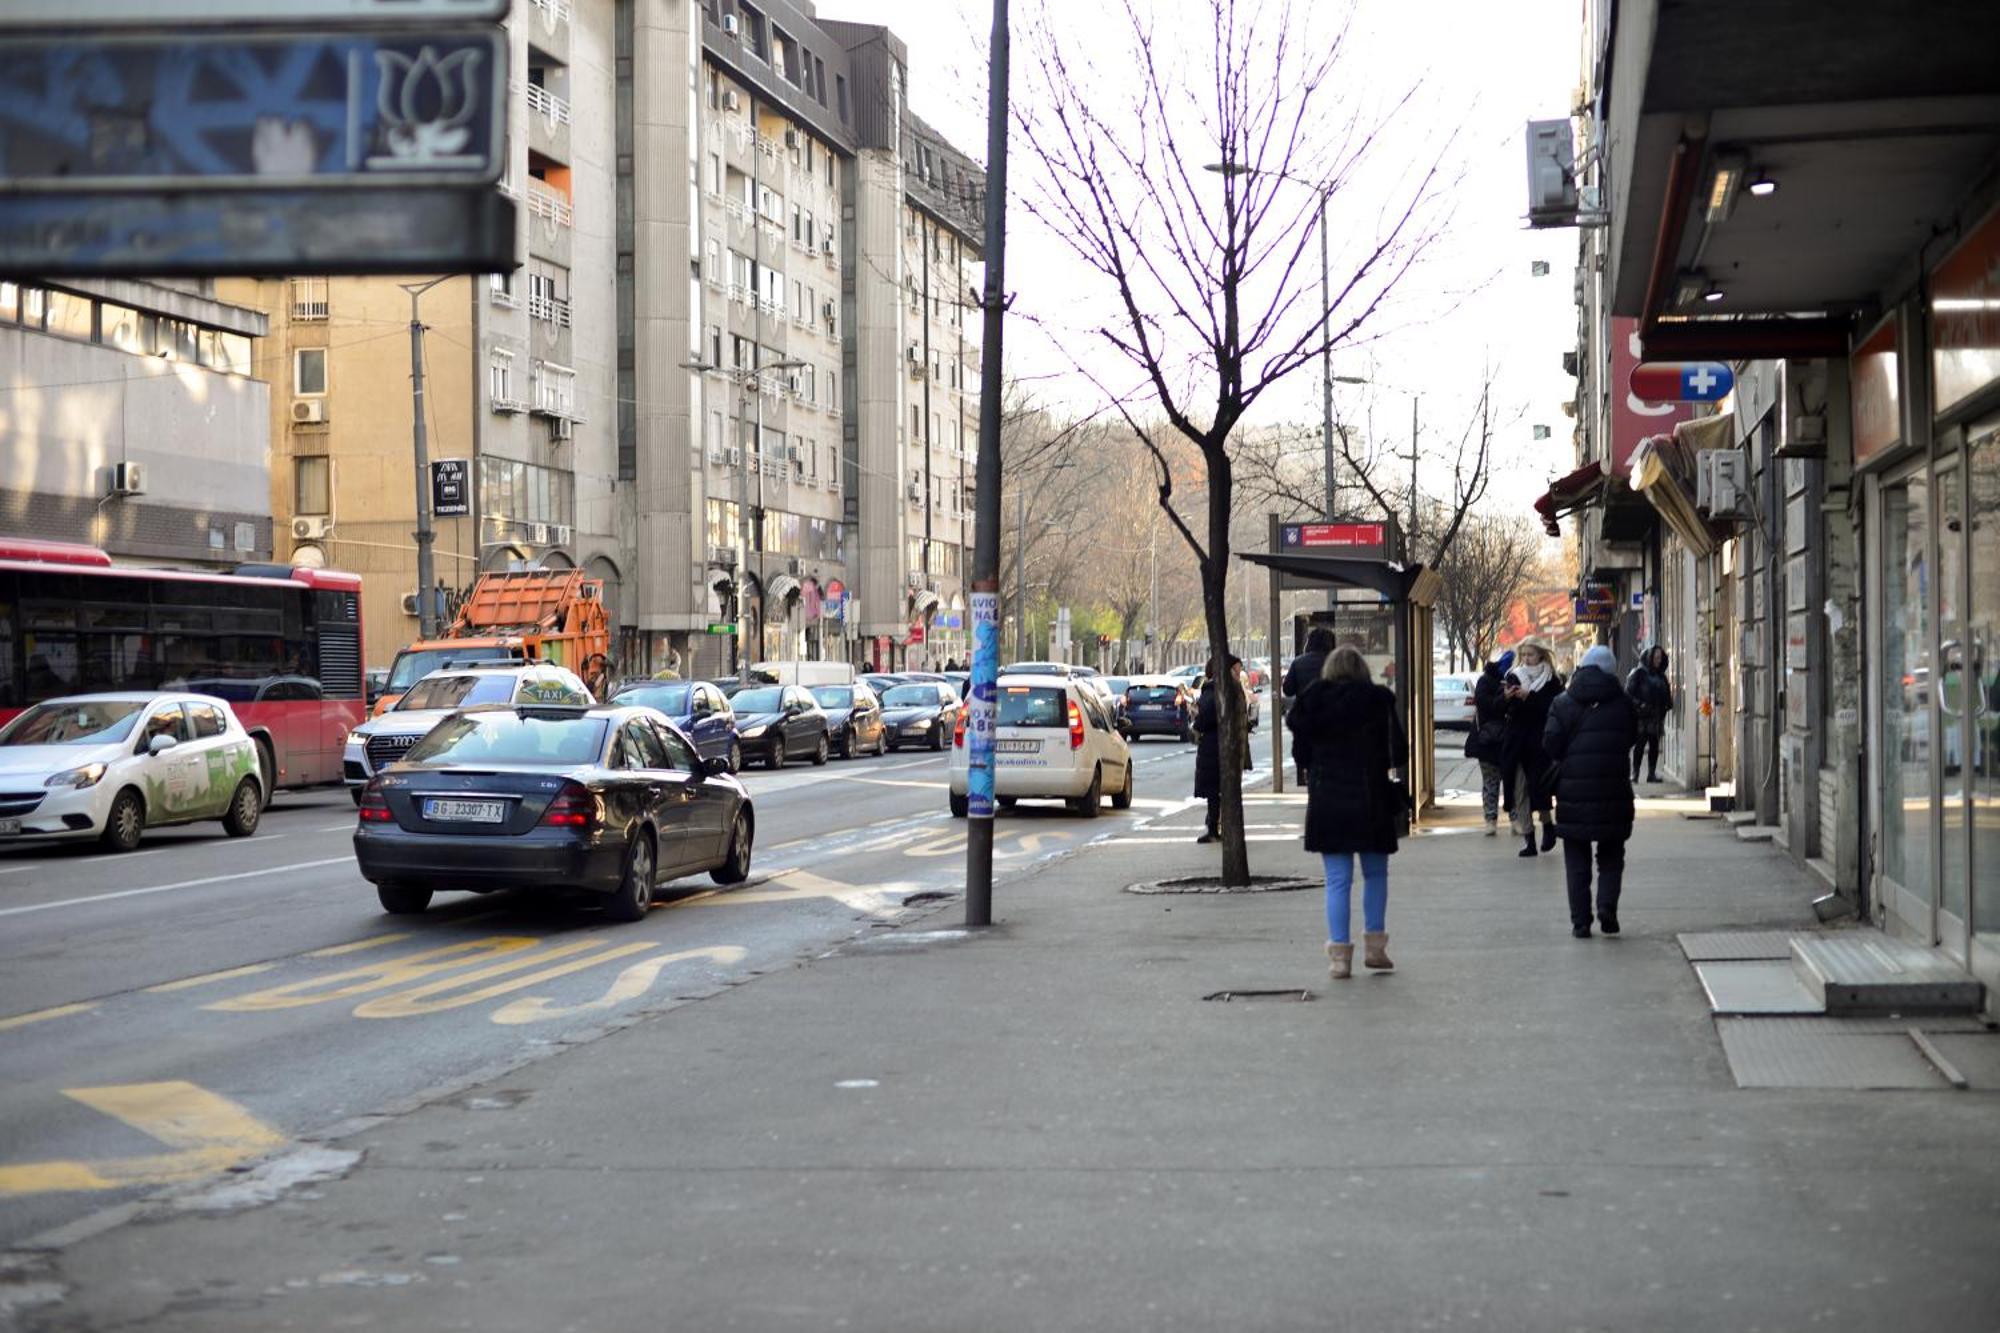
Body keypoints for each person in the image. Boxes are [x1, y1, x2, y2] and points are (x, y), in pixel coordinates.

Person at [1296, 645, 1407, 978]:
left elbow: (1300, 754)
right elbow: (1399, 751)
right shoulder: (1378, 700)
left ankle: (1339, 957)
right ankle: (1375, 948)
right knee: (1375, 875)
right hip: (1371, 796)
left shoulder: (1313, 702)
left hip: (1329, 799)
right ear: (1362, 670)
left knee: (1337, 881)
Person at [1545, 643, 1639, 938]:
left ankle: (1580, 922)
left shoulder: (1562, 702)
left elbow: (1550, 744)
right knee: (1611, 855)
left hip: (1573, 793)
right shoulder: (1623, 703)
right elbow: (1631, 739)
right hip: (1614, 790)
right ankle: (1607, 907)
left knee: (1576, 859)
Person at [1500, 635, 1563, 858]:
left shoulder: (1553, 680)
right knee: (1520, 790)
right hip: (1517, 743)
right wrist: (1507, 698)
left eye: (1531, 654)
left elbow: (1553, 708)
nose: (1526, 659)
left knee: (1539, 788)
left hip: (1540, 743)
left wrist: (1530, 697)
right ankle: (1529, 839)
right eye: (1524, 654)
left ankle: (1548, 827)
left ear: (1541, 655)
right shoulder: (1513, 676)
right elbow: (1502, 710)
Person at [1191, 654, 1244, 844]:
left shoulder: (1212, 688)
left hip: (1213, 745)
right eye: (1236, 668)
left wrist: (1196, 724)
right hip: (1228, 742)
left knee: (1214, 791)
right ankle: (1222, 827)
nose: (1238, 672)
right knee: (1224, 789)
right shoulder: (1231, 687)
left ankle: (1213, 828)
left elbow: (1205, 717)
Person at [1467, 649, 1514, 836]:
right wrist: (1505, 697)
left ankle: (1507, 819)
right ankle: (1492, 819)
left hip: (1507, 740)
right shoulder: (1486, 681)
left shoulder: (1511, 680)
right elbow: (1486, 705)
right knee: (1492, 781)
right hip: (1488, 740)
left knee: (1510, 782)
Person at [1283, 626, 1335, 783]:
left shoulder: (1298, 663)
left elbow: (1288, 690)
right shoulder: (1333, 661)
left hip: (1307, 720)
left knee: (1311, 762)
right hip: (1330, 719)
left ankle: (1313, 787)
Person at [1625, 645, 1674, 784]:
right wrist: (1639, 705)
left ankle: (1651, 774)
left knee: (1654, 746)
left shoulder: (1661, 676)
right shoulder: (1638, 673)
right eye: (1656, 657)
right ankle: (1635, 773)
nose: (1658, 660)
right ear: (1650, 657)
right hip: (1642, 717)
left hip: (1656, 716)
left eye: (1660, 658)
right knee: (1640, 746)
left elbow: (1666, 693)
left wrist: (1667, 704)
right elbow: (1628, 694)